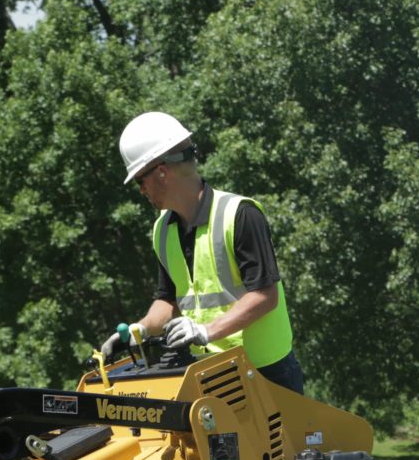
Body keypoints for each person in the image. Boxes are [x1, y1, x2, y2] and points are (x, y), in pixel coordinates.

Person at [102, 111, 305, 394]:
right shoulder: (163, 229)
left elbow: (265, 295)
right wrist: (141, 331)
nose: (141, 190)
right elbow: (169, 300)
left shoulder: (240, 215)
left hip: (268, 373)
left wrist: (205, 331)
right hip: (214, 374)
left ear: (161, 172)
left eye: (140, 180)